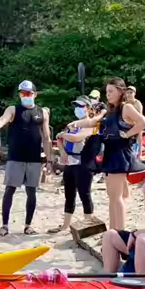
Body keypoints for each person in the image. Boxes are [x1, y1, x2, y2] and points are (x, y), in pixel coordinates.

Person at [68, 77, 145, 231]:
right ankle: (113, 230)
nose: (108, 94)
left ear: (120, 91)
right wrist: (77, 123)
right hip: (110, 152)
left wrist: (127, 134)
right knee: (112, 196)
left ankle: (120, 231)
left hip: (120, 153)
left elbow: (143, 122)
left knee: (116, 196)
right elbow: (94, 122)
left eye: (111, 91)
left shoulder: (126, 107)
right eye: (107, 91)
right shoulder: (110, 110)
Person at [0, 80, 54, 236]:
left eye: (28, 93)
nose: (25, 96)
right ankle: (4, 226)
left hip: (34, 158)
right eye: (22, 93)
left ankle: (28, 225)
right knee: (9, 190)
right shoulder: (13, 109)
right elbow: (3, 119)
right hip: (15, 157)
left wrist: (50, 160)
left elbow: (46, 137)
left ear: (35, 94)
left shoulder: (42, 112)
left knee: (31, 192)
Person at [48, 95, 100, 234]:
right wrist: (62, 152)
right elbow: (58, 138)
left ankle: (89, 223)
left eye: (81, 106)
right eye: (76, 106)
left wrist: (63, 135)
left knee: (85, 194)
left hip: (84, 162)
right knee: (69, 194)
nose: (78, 109)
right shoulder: (73, 124)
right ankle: (65, 225)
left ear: (89, 108)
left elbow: (76, 137)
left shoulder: (92, 124)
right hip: (70, 162)